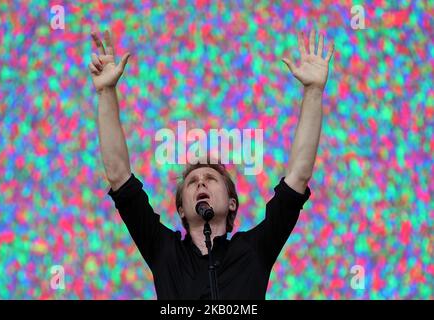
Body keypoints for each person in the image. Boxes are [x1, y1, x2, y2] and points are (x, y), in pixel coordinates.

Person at [90, 29, 334, 299]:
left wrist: (313, 91)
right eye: (192, 182)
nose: (201, 182)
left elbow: (298, 177)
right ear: (181, 209)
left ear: (232, 203)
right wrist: (105, 92)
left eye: (210, 178)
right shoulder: (165, 251)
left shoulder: (253, 251)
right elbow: (119, 176)